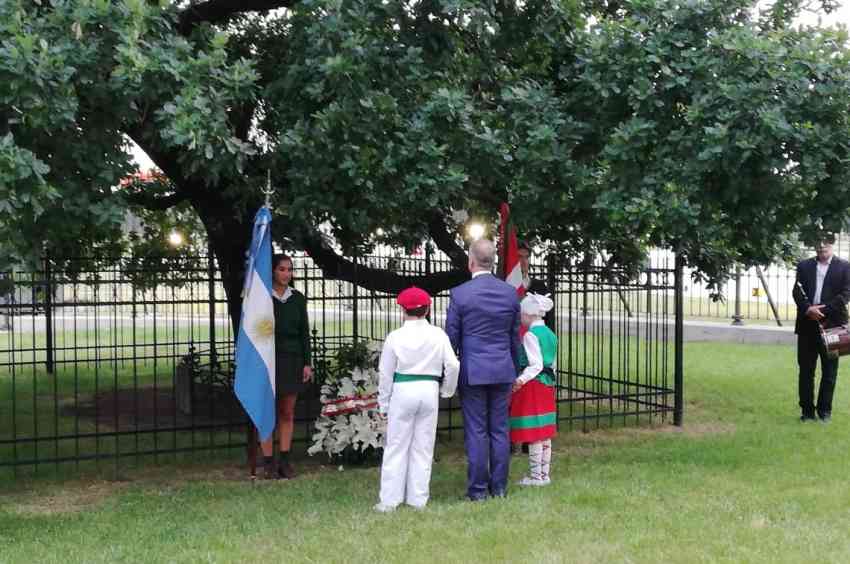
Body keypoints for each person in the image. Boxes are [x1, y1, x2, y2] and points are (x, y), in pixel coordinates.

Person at [446, 239, 521, 500]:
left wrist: (447, 371)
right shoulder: (510, 293)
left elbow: (451, 339)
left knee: (477, 431)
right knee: (500, 430)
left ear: (471, 262)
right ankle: (499, 488)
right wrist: (515, 368)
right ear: (494, 262)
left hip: (473, 370)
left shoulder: (460, 294)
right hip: (502, 369)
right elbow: (514, 337)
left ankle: (478, 490)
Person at [374, 287, 459, 512]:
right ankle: (418, 498)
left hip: (403, 389)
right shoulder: (438, 334)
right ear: (428, 308)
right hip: (429, 389)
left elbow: (385, 373)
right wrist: (446, 390)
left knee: (396, 445)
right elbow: (453, 365)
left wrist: (383, 403)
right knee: (423, 446)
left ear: (403, 310)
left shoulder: (395, 337)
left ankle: (390, 500)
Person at [262, 253, 313, 478]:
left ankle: (284, 460)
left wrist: (307, 363)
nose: (286, 274)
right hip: (268, 359)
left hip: (292, 359)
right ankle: (267, 462)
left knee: (287, 412)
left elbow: (304, 333)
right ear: (273, 270)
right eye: (282, 269)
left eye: (289, 270)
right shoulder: (261, 298)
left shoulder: (298, 298)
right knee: (266, 412)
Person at [792, 235, 850, 423]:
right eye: (818, 245)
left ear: (832, 245)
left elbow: (846, 294)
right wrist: (808, 309)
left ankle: (825, 413)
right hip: (807, 325)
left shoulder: (845, 267)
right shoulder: (804, 266)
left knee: (830, 371)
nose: (821, 248)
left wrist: (822, 310)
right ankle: (807, 412)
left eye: (825, 245)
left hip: (833, 328)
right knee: (806, 370)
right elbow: (797, 291)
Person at [510, 293, 558, 486]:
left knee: (535, 433)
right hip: (547, 384)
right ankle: (544, 474)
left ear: (529, 315)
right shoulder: (550, 334)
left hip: (534, 385)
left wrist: (520, 380)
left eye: (522, 315)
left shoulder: (531, 335)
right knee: (545, 431)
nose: (521, 319)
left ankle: (536, 477)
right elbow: (552, 364)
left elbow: (535, 365)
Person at [517, 240, 554, 329]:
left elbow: (548, 319)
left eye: (527, 257)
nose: (524, 261)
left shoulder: (540, 286)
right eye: (519, 257)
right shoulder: (506, 285)